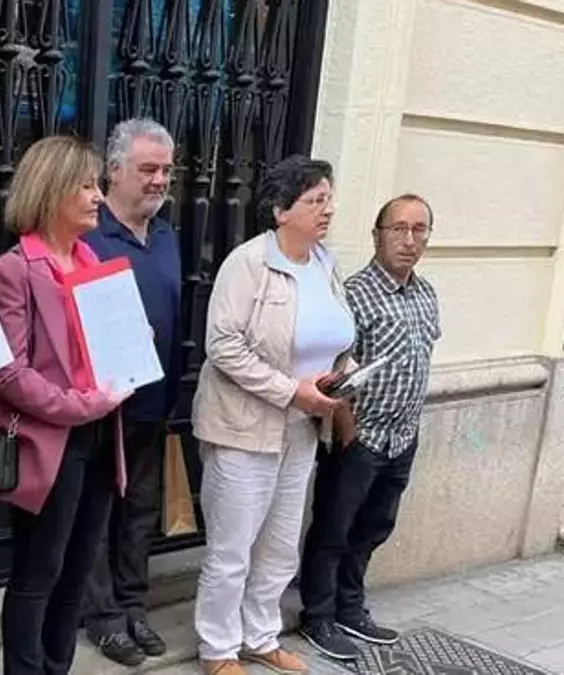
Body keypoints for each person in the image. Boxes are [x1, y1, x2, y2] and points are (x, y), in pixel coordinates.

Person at [191, 155, 356, 675]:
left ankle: (260, 636)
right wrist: (292, 392)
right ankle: (218, 648)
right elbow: (223, 345)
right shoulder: (248, 263)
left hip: (301, 430)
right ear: (281, 210)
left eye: (328, 199)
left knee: (281, 545)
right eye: (314, 200)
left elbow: (335, 338)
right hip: (243, 427)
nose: (327, 209)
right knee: (232, 548)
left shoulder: (325, 264)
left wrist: (344, 378)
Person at [0, 134, 129, 675]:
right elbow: (9, 373)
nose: (99, 197)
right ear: (52, 190)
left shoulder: (93, 260)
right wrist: (82, 405)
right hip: (49, 442)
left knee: (78, 570)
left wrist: (131, 349)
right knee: (38, 572)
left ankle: (57, 667)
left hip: (101, 435)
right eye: (87, 186)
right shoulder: (13, 270)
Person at [298, 194, 441, 660]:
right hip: (361, 438)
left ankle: (349, 607)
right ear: (377, 235)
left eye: (418, 229)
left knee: (374, 526)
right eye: (398, 229)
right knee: (334, 529)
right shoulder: (354, 294)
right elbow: (335, 368)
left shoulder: (426, 294)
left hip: (403, 437)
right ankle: (318, 615)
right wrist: (347, 429)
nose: (408, 239)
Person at [80, 117, 184, 666]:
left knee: (141, 510)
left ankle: (133, 604)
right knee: (97, 513)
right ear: (114, 171)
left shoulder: (166, 235)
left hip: (153, 401)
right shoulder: (88, 234)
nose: (159, 180)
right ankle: (102, 618)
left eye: (166, 169)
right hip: (100, 405)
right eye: (148, 169)